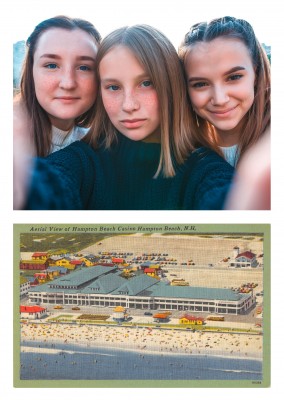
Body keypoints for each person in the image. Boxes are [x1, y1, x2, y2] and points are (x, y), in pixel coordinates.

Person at [15, 24, 234, 210]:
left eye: (146, 83)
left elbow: (226, 199)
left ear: (171, 85)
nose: (128, 105)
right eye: (113, 87)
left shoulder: (206, 169)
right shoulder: (84, 159)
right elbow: (50, 183)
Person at [179, 16, 270, 167]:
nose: (220, 99)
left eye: (234, 77)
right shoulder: (183, 156)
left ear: (256, 73)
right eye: (201, 84)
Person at [14, 15, 101, 156]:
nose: (68, 83)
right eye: (52, 65)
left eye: (84, 67)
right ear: (31, 72)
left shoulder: (101, 148)